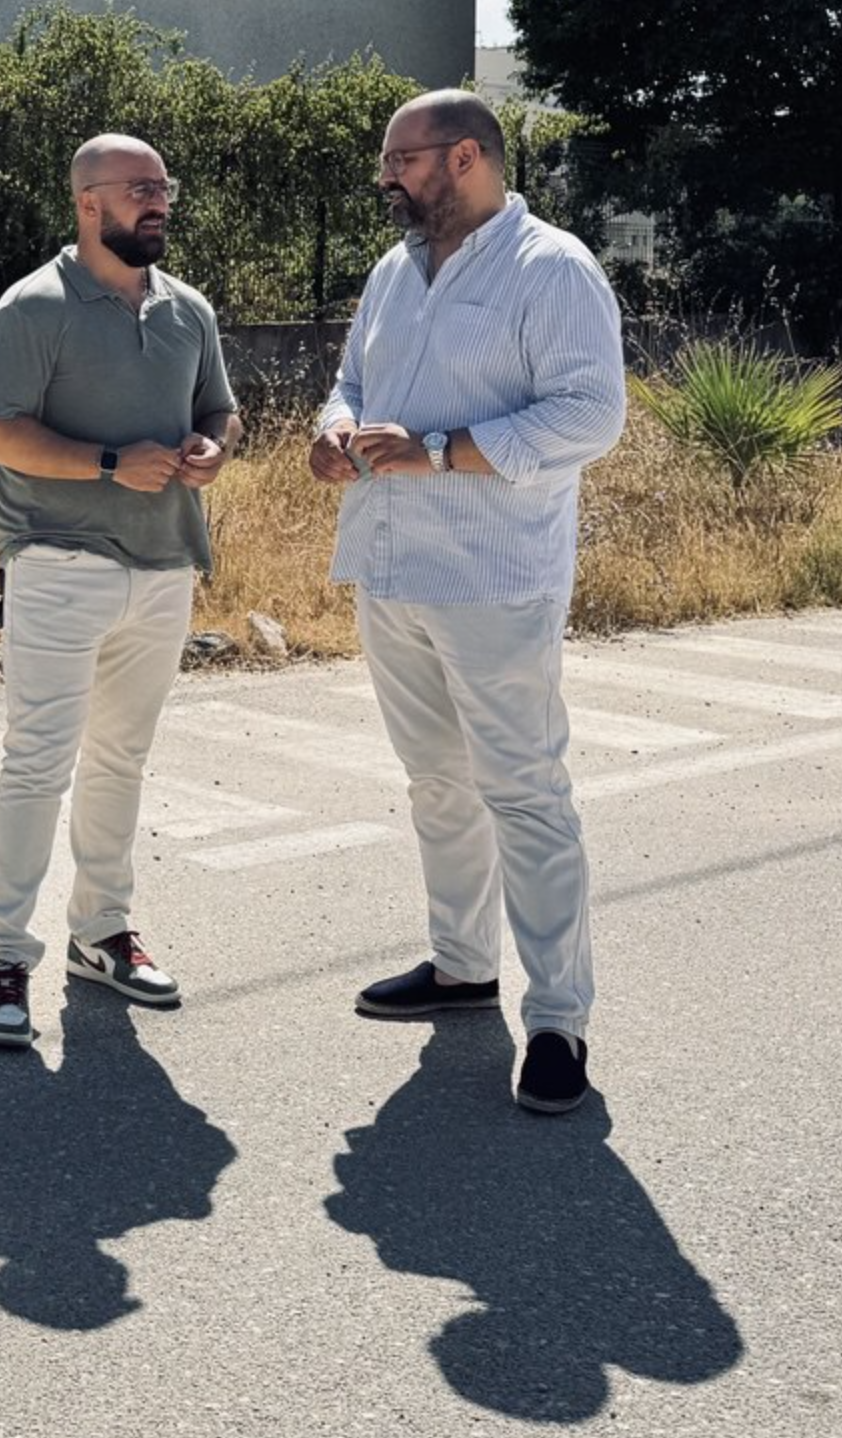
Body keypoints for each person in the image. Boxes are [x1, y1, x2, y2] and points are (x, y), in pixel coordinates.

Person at [308, 89, 626, 1113]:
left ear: (464, 157)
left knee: (523, 792)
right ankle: (461, 966)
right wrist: (333, 428)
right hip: (391, 567)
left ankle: (559, 1021)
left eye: (400, 159)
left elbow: (590, 414)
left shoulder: (552, 268)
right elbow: (352, 380)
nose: (385, 177)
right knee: (436, 783)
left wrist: (442, 450)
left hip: (494, 578)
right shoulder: (393, 271)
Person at [0, 133, 242, 1047]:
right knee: (38, 765)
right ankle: (6, 960)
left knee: (121, 761)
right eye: (139, 188)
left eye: (164, 187)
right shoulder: (32, 307)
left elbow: (220, 408)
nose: (158, 202)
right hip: (57, 564)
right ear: (88, 203)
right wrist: (110, 463)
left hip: (164, 567)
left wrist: (214, 446)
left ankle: (103, 934)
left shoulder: (188, 310)